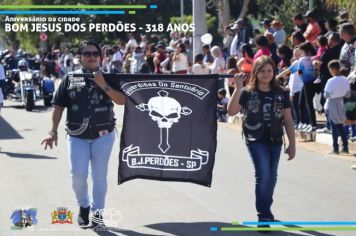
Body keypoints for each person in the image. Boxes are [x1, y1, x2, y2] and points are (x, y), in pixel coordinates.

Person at [41, 41, 126, 227]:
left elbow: (121, 101)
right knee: (78, 175)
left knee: (99, 175)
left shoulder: (109, 77)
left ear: (101, 56)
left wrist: (103, 84)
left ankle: (97, 214)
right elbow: (58, 107)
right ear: (80, 57)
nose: (91, 56)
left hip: (103, 135)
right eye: (87, 53)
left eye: (95, 53)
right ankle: (84, 206)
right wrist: (52, 131)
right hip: (77, 135)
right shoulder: (70, 78)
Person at [227, 56, 295, 229]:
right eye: (262, 71)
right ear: (255, 73)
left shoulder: (281, 92)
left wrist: (292, 144)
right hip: (255, 139)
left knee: (272, 176)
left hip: (275, 139)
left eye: (269, 70)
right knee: (263, 174)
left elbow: (288, 120)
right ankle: (263, 214)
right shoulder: (246, 92)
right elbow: (231, 111)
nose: (266, 74)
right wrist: (238, 88)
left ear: (274, 72)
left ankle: (266, 207)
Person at [324, 60, 350, 154]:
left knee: (333, 127)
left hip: (332, 103)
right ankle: (345, 147)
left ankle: (335, 148)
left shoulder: (330, 81)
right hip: (341, 102)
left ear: (332, 69)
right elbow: (348, 94)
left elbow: (326, 95)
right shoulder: (345, 79)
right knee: (341, 126)